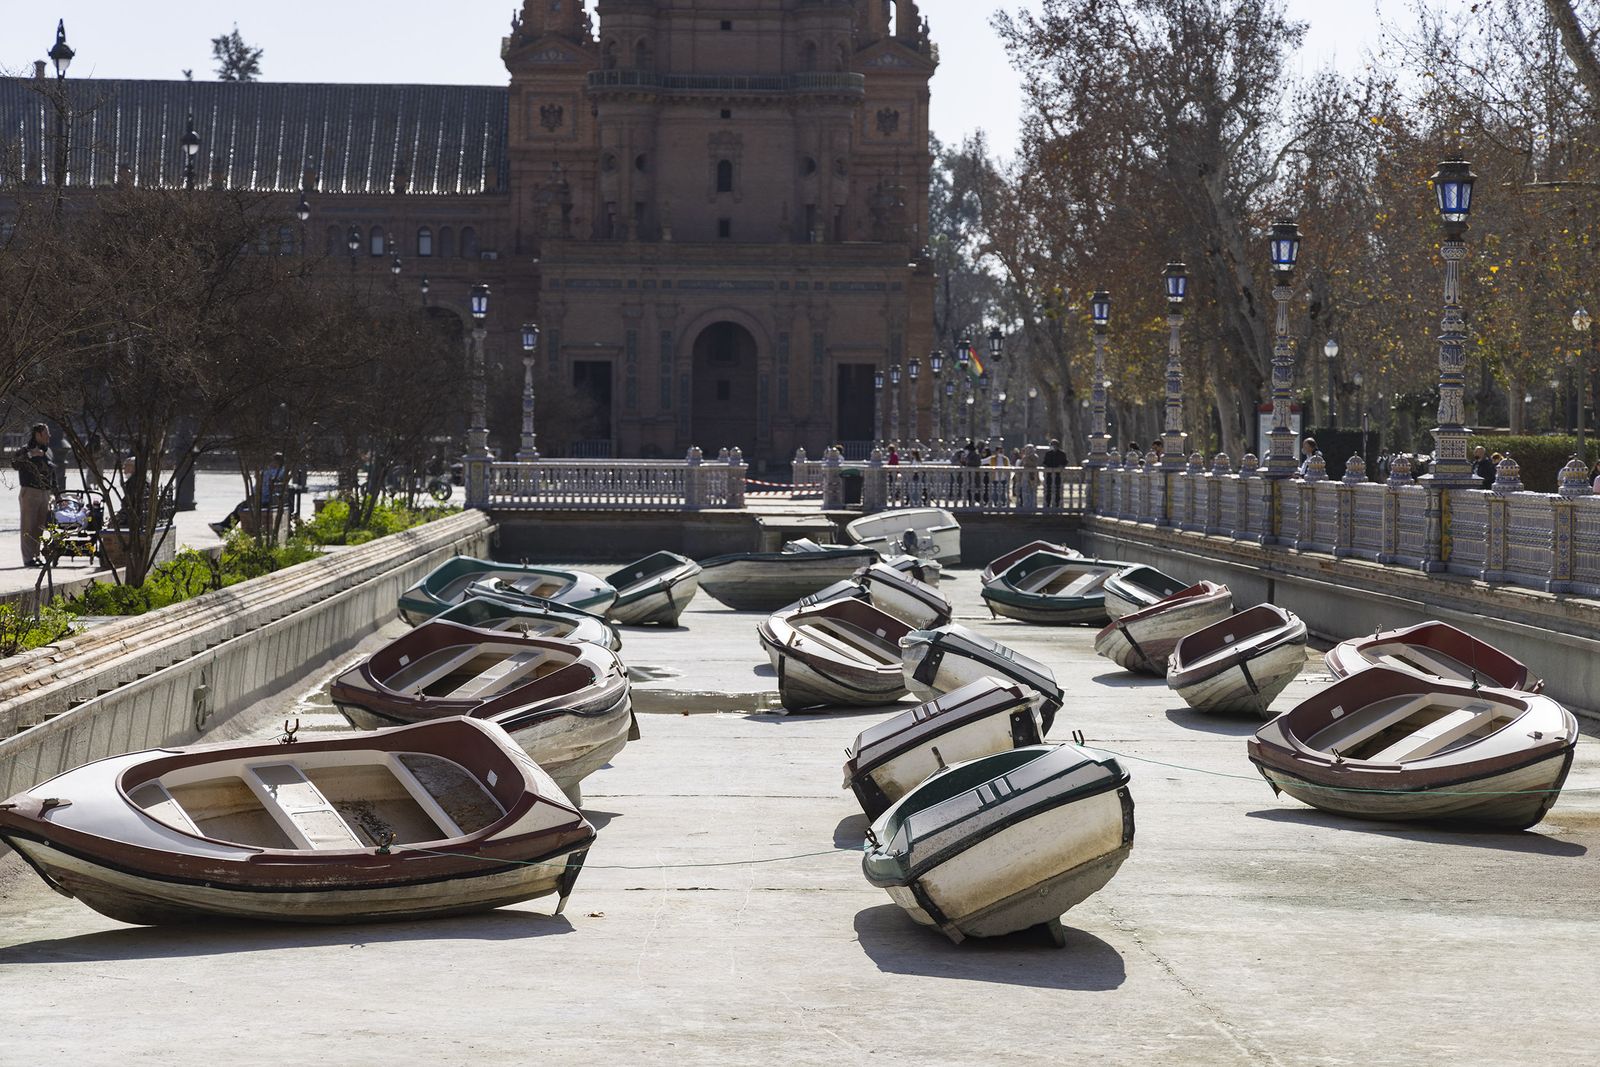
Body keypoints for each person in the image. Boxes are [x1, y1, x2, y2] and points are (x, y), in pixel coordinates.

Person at [11, 423, 57, 567]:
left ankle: (36, 556)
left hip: (45, 492)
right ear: (38, 435)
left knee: (40, 527)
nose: (49, 436)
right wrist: (31, 455)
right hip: (30, 492)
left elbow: (52, 472)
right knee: (28, 526)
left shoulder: (48, 451)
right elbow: (15, 463)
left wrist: (57, 493)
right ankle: (28, 558)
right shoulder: (25, 450)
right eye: (46, 433)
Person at [211, 453, 288, 536]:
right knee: (241, 506)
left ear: (277, 462)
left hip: (264, 500)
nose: (270, 463)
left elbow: (262, 485)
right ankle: (224, 527)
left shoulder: (272, 472)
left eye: (272, 461)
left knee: (241, 507)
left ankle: (224, 528)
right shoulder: (280, 471)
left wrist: (258, 479)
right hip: (268, 499)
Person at [1042, 438, 1067, 508]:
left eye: (1055, 445)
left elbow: (1065, 462)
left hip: (1058, 474)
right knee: (1048, 489)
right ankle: (1048, 504)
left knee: (1057, 489)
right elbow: (1044, 462)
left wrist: (1061, 466)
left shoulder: (1062, 453)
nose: (1053, 446)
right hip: (1049, 474)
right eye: (1052, 445)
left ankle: (1057, 504)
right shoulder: (1048, 453)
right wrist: (1045, 467)